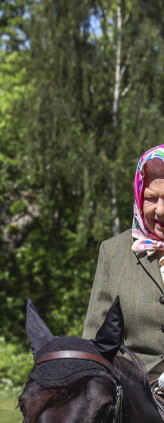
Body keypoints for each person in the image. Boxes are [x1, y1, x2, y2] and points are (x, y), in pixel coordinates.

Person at [83, 144, 164, 386]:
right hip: (134, 397)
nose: (160, 210)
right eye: (151, 198)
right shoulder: (114, 251)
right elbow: (97, 340)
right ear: (139, 197)